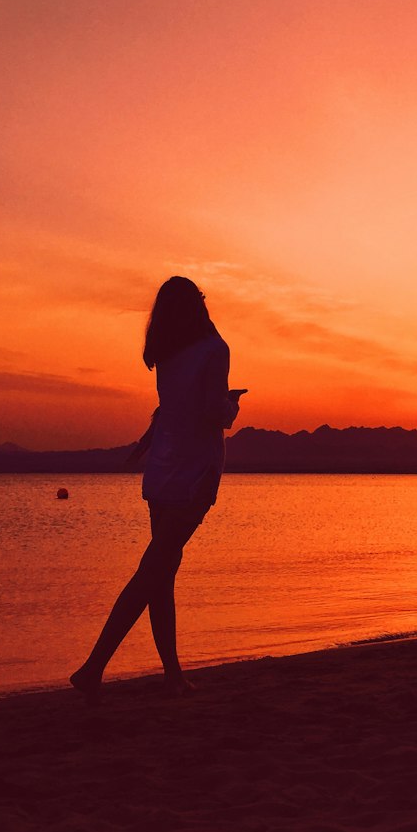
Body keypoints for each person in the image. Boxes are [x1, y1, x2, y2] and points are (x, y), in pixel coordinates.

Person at [70, 277, 243, 701]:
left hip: (164, 471)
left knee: (161, 573)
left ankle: (172, 675)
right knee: (153, 572)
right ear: (197, 306)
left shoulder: (168, 353)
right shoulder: (213, 351)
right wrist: (231, 405)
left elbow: (171, 407)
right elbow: (210, 414)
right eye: (201, 300)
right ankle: (93, 667)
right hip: (194, 473)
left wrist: (148, 440)